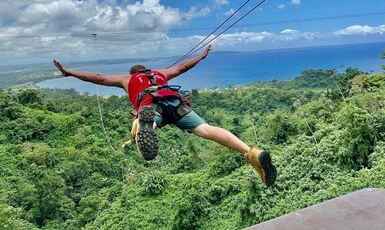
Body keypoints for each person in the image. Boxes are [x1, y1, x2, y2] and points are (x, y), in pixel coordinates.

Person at [53, 45, 277, 187]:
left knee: (141, 126)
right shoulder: (160, 74)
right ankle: (251, 152)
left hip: (151, 104)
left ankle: (143, 125)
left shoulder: (128, 79)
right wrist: (201, 56)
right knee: (206, 130)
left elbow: (98, 78)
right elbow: (182, 67)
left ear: (133, 74)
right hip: (176, 102)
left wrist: (70, 72)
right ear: (147, 70)